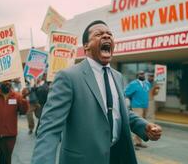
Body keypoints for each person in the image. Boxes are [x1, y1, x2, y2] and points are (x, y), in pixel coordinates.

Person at [31, 20, 162, 164]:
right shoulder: (68, 77)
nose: (106, 36)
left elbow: (120, 111)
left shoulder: (117, 76)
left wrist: (143, 126)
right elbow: (50, 129)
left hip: (117, 157)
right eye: (99, 34)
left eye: (109, 34)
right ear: (86, 46)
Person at [124, 70, 150, 148]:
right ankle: (133, 143)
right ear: (137, 75)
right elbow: (125, 93)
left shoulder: (147, 83)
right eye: (141, 74)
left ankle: (139, 142)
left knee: (143, 125)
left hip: (145, 106)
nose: (142, 75)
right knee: (136, 124)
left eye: (143, 74)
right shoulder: (133, 84)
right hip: (137, 106)